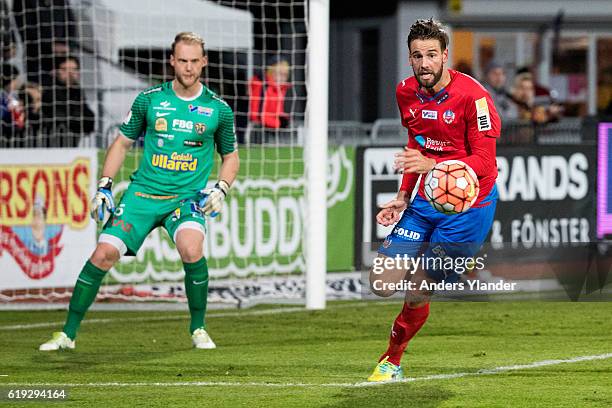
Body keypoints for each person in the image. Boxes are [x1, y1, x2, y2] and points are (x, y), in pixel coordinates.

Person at [39, 32, 240, 351]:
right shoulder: (149, 100)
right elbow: (121, 143)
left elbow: (230, 157)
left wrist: (222, 188)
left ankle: (198, 327)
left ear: (204, 62)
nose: (188, 68)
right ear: (172, 61)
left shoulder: (218, 109)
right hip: (142, 195)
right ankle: (67, 333)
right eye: (182, 61)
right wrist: (104, 185)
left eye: (194, 61)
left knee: (191, 248)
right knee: (102, 254)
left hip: (185, 198)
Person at [366, 19, 500, 382]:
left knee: (417, 284)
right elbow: (416, 145)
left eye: (430, 55)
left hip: (469, 207)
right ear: (409, 59)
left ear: (445, 56)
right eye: (416, 56)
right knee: (381, 283)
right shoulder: (405, 92)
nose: (423, 64)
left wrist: (434, 164)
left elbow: (486, 163)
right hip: (426, 199)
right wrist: (402, 194)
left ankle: (391, 361)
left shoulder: (475, 97)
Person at [41, 55, 95, 147]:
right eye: (65, 69)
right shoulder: (49, 91)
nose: (70, 73)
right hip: (51, 144)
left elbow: (89, 119)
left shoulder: (77, 91)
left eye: (73, 69)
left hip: (72, 144)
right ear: (57, 72)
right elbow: (59, 117)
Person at [248, 55, 292, 143]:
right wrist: (276, 122)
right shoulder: (261, 85)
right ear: (271, 72)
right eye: (279, 74)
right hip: (260, 128)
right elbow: (256, 113)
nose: (282, 77)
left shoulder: (283, 89)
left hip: (275, 127)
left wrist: (283, 119)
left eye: (285, 75)